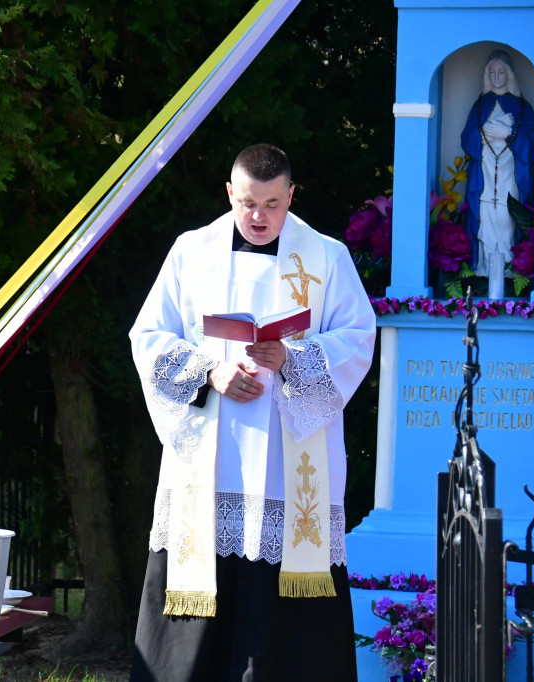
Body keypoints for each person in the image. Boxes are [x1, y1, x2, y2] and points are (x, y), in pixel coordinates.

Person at [128, 144, 375, 681]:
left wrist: (291, 358)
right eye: (247, 203)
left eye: (271, 204)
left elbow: (358, 338)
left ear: (291, 195)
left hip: (288, 464)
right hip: (210, 456)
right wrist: (209, 373)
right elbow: (147, 336)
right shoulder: (191, 252)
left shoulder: (327, 257)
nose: (258, 217)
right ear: (229, 193)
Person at [461, 50, 534, 285]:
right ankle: (484, 269)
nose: (496, 77)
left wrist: (508, 133)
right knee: (484, 221)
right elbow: (466, 139)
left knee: (508, 219)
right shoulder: (480, 105)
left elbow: (532, 143)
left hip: (509, 175)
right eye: (492, 72)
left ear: (510, 74)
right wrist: (483, 135)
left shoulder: (522, 106)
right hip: (484, 176)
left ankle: (509, 271)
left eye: (501, 72)